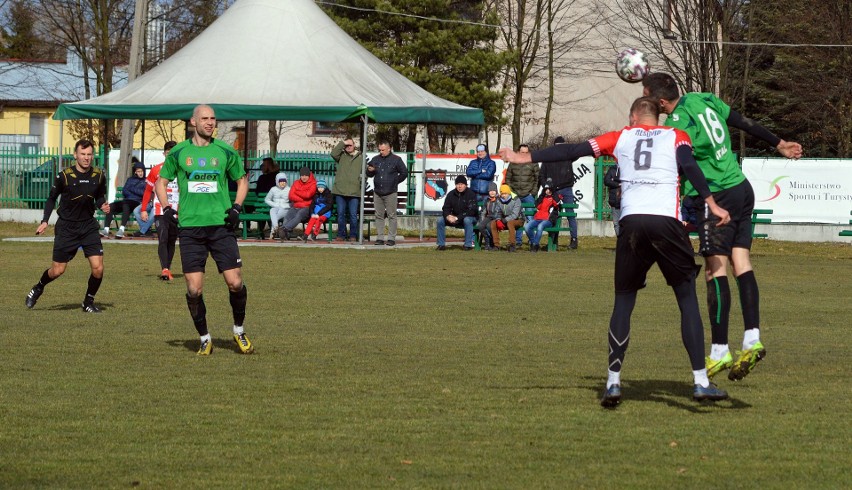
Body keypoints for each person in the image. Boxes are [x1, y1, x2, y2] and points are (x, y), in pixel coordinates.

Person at [500, 96, 733, 406]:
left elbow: (572, 149)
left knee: (624, 299)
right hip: (667, 222)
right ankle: (701, 381)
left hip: (632, 222)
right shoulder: (677, 136)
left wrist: (523, 157)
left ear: (634, 117)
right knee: (686, 297)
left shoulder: (621, 136)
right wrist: (711, 202)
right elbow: (689, 166)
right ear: (655, 117)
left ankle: (613, 382)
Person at [643, 72, 803, 381]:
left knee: (714, 269)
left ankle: (719, 351)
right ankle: (752, 338)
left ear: (661, 102)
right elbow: (743, 122)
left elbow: (686, 164)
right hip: (742, 188)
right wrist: (779, 143)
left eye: (648, 95)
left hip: (717, 196)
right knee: (741, 262)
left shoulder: (676, 126)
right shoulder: (704, 98)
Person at [155, 104, 253, 356]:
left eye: (213, 119)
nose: (210, 123)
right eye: (205, 118)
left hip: (221, 227)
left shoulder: (224, 151)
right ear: (193, 121)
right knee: (194, 289)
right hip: (190, 229)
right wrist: (166, 208)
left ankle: (239, 331)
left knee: (235, 282)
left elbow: (242, 180)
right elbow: (161, 182)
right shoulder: (178, 152)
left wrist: (236, 208)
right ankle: (205, 338)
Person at [26, 139, 110, 313]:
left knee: (98, 268)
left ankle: (88, 302)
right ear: (75, 155)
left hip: (88, 226)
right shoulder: (63, 176)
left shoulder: (99, 175)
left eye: (89, 154)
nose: (86, 158)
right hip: (67, 227)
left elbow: (99, 197)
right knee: (57, 270)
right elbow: (51, 199)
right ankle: (39, 287)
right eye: (83, 154)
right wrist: (44, 221)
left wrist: (103, 205)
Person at [140, 140, 179, 280]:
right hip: (160, 211)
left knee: (171, 240)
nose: (170, 156)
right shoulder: (156, 170)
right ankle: (165, 269)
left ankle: (168, 267)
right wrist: (144, 209)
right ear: (164, 153)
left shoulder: (182, 170)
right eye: (168, 153)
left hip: (176, 211)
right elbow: (148, 191)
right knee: (163, 238)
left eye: (173, 153)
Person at [540, 136, 579, 249]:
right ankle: (553, 241)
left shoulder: (568, 156)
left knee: (570, 214)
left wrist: (568, 149)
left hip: (566, 188)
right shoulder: (548, 158)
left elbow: (577, 152)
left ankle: (574, 240)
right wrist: (546, 187)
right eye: (558, 147)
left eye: (562, 147)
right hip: (553, 190)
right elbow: (542, 175)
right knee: (553, 215)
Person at [366, 141, 407, 246]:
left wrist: (395, 181)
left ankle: (391, 238)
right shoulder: (375, 159)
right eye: (379, 150)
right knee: (379, 215)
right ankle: (380, 238)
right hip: (378, 192)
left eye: (383, 150)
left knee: (391, 215)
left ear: (389, 149)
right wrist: (370, 170)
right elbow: (369, 174)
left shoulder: (396, 160)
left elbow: (404, 172)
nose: (381, 152)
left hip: (390, 192)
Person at [102, 157, 147, 239]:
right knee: (110, 206)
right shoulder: (130, 179)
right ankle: (106, 229)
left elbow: (143, 193)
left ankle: (121, 229)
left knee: (126, 205)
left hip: (136, 202)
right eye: (138, 171)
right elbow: (124, 191)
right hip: (127, 200)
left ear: (144, 171)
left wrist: (132, 189)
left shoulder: (146, 181)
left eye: (141, 171)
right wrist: (132, 190)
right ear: (135, 172)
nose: (140, 173)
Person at [331, 137, 364, 241]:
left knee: (353, 215)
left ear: (354, 145)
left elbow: (365, 173)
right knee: (340, 214)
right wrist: (343, 142)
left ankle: (353, 235)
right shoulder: (341, 156)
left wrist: (360, 181)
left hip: (354, 192)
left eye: (350, 145)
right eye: (346, 145)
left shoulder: (361, 157)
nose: (348, 147)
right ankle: (341, 235)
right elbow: (333, 153)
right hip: (340, 191)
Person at [505, 144, 539, 246]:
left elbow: (538, 179)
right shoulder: (513, 162)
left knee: (530, 218)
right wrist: (512, 192)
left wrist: (532, 193)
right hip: (515, 195)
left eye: (526, 152)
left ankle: (532, 241)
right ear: (518, 152)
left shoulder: (533, 163)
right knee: (516, 218)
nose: (524, 154)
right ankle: (518, 241)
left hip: (528, 195)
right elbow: (508, 179)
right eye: (522, 152)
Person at [435, 175, 478, 251]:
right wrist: (448, 216)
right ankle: (441, 244)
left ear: (465, 185)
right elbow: (445, 208)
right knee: (440, 220)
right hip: (454, 218)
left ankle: (468, 245)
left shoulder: (471, 194)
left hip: (469, 218)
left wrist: (457, 217)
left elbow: (472, 211)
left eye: (462, 184)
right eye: (458, 184)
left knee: (467, 220)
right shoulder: (451, 194)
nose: (460, 186)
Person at [279, 166, 317, 241]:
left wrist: (296, 192)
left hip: (307, 207)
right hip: (296, 206)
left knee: (299, 215)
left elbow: (308, 195)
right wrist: (302, 199)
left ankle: (284, 229)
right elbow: (290, 196)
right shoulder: (296, 182)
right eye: (302, 175)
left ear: (309, 175)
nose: (304, 177)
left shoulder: (313, 183)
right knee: (288, 215)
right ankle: (286, 233)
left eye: (306, 175)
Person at [524, 183, 561, 252]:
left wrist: (553, 194)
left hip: (548, 220)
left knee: (540, 226)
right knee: (527, 227)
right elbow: (537, 205)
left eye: (549, 189)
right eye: (546, 189)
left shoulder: (555, 197)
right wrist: (542, 196)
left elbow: (557, 203)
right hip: (538, 218)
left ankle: (534, 245)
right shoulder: (543, 197)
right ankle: (534, 243)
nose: (547, 191)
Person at [490, 184, 525, 252]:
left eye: (505, 193)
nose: (503, 195)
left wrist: (503, 220)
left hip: (519, 219)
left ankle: (512, 244)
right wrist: (498, 220)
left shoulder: (516, 200)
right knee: (493, 223)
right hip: (505, 219)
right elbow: (497, 211)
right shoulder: (499, 200)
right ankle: (496, 245)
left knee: (510, 223)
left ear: (508, 193)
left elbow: (515, 215)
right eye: (502, 194)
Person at [264, 172, 290, 239]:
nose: (282, 183)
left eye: (284, 181)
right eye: (280, 181)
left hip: (285, 208)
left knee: (276, 216)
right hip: (276, 207)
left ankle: (273, 231)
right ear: (277, 181)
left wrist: (287, 205)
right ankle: (276, 227)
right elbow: (267, 199)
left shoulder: (289, 189)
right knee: (272, 210)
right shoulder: (273, 189)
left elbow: (293, 200)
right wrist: (274, 204)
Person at [476, 182, 500, 250]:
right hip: (489, 217)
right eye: (490, 191)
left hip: (496, 217)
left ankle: (492, 242)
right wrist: (482, 220)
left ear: (496, 191)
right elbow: (483, 211)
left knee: (489, 226)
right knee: (480, 226)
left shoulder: (499, 200)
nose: (492, 192)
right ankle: (487, 240)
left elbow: (499, 211)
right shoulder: (487, 200)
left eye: (493, 191)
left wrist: (496, 218)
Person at [603, 165, 622, 236]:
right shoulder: (613, 169)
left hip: (625, 201)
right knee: (616, 223)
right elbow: (606, 181)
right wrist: (618, 184)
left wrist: (613, 180)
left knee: (625, 223)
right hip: (614, 200)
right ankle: (621, 241)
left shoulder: (628, 168)